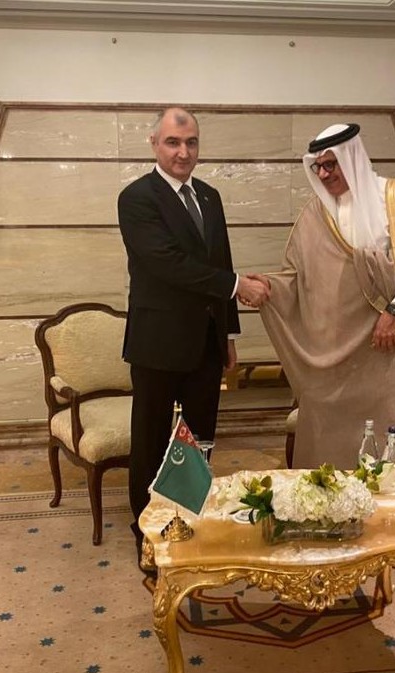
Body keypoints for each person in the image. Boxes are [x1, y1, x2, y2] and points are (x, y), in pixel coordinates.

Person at [118, 107, 270, 569]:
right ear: (154, 144)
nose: (183, 152)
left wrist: (228, 333)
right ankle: (147, 533)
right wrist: (237, 286)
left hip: (206, 341)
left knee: (199, 439)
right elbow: (168, 264)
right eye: (173, 142)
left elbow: (221, 260)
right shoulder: (137, 198)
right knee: (150, 441)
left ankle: (187, 518)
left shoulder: (209, 196)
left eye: (191, 143)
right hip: (157, 342)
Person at [259, 123, 395, 469]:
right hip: (337, 356)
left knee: (394, 432)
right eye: (318, 166)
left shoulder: (394, 197)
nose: (324, 174)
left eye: (331, 164)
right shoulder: (316, 213)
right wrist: (267, 289)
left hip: (390, 345)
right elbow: (295, 278)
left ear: (352, 158)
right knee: (332, 444)